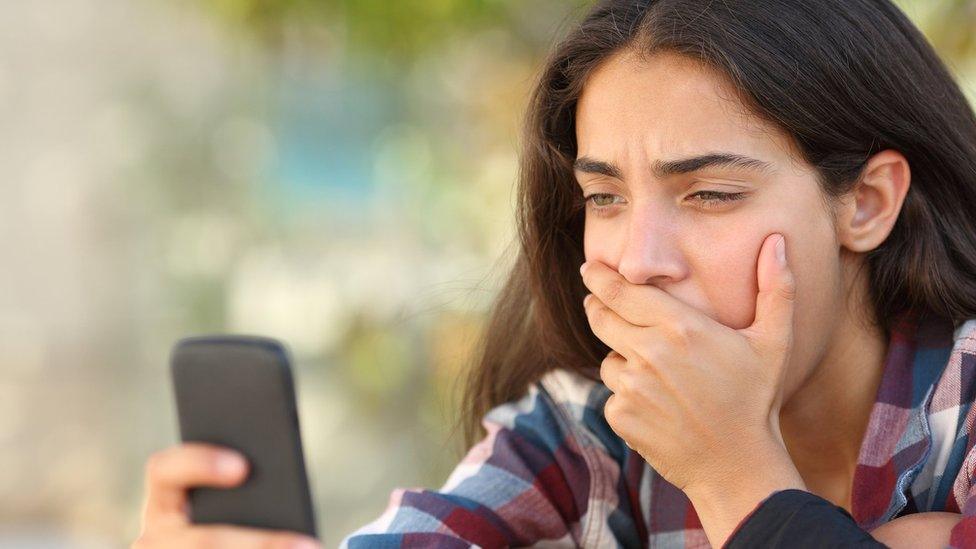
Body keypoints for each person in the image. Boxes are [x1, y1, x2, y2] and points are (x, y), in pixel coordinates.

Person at [133, 0, 976, 547]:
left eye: (712, 193)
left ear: (865, 202)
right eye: (605, 197)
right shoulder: (585, 431)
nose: (639, 260)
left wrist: (739, 479)